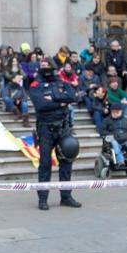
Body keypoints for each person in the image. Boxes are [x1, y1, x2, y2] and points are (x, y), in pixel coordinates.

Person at [29, 58, 80, 211]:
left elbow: (73, 96)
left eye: (47, 65)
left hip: (63, 127)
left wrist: (54, 98)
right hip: (45, 129)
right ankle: (43, 199)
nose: (44, 68)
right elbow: (41, 105)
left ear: (53, 67)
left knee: (67, 160)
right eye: (42, 66)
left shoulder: (61, 82)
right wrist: (61, 102)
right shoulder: (35, 85)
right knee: (45, 164)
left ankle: (66, 196)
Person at [100, 103, 127, 170]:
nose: (115, 113)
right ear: (111, 112)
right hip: (113, 139)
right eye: (113, 112)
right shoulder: (106, 120)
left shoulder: (126, 120)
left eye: (117, 112)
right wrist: (110, 134)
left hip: (125, 139)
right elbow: (102, 131)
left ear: (121, 112)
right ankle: (120, 161)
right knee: (115, 144)